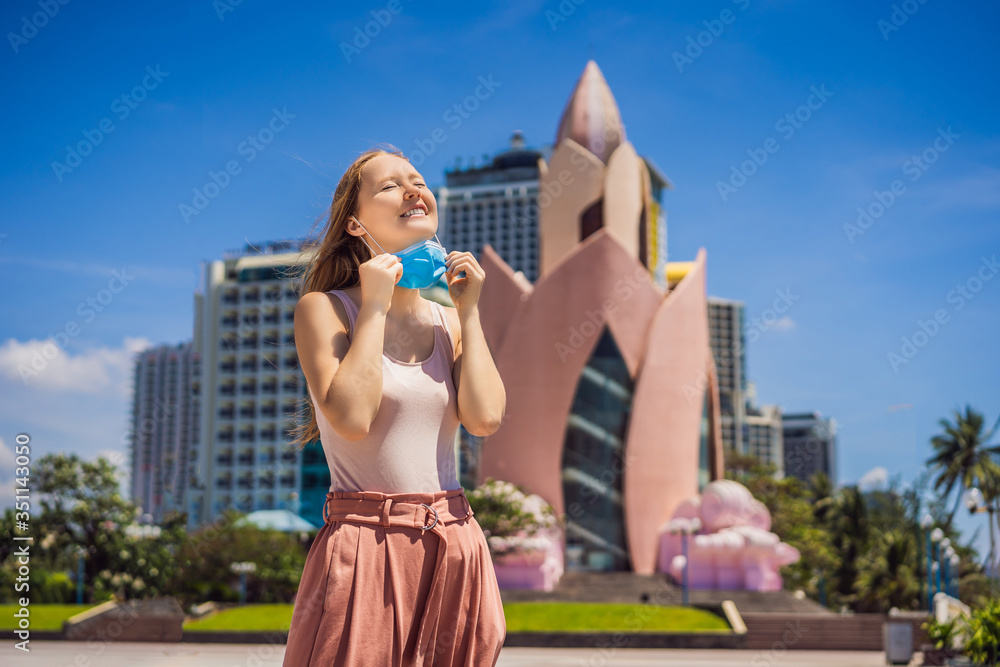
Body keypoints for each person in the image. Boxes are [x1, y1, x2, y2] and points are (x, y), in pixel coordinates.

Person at [281, 145, 507, 666]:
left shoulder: (448, 318)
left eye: (418, 180)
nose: (412, 190)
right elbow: (352, 418)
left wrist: (469, 314)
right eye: (389, 186)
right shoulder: (325, 309)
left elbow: (485, 418)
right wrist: (376, 303)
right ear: (356, 224)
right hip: (366, 547)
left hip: (455, 543)